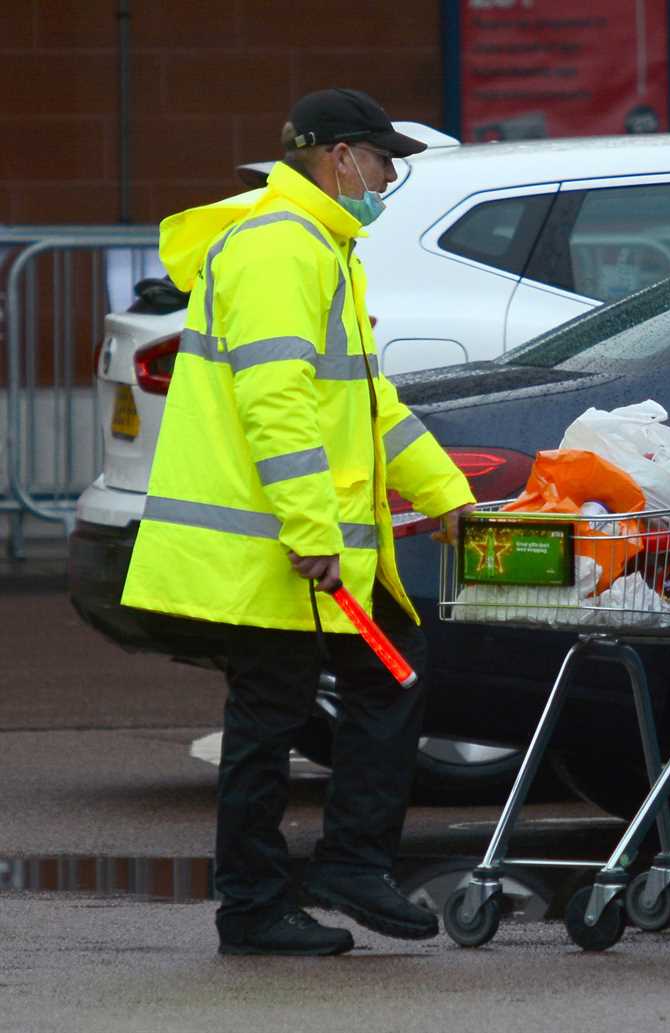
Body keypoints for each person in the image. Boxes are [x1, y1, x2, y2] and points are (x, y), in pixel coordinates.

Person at [122, 88, 476, 956]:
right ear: (339, 156)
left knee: (349, 686)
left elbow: (367, 403)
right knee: (286, 708)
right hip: (279, 546)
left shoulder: (319, 245)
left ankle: (330, 871)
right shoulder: (283, 248)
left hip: (292, 543)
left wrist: (448, 494)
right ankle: (267, 897)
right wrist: (312, 529)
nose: (388, 178)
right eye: (383, 160)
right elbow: (275, 403)